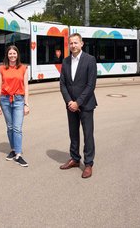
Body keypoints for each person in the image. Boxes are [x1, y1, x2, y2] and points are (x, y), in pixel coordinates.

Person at [59, 33, 97, 178]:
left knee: (88, 135)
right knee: (73, 133)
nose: (73, 45)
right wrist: (70, 102)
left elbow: (90, 85)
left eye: (76, 43)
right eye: (71, 43)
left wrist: (78, 102)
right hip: (70, 105)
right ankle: (75, 158)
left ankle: (88, 164)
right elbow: (62, 84)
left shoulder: (90, 60)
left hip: (86, 104)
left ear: (82, 43)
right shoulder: (66, 61)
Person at [0, 45, 30, 167]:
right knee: (10, 127)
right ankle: (13, 149)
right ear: (7, 55)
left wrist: (26, 104)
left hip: (19, 100)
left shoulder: (23, 68)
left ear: (17, 55)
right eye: (10, 53)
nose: (12, 55)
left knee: (17, 128)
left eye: (14, 53)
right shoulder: (1, 68)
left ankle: (18, 154)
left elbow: (26, 86)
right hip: (5, 100)